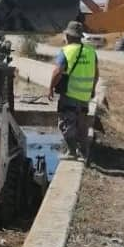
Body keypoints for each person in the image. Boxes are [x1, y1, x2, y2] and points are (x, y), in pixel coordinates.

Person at [47, 21, 99, 158]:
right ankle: (84, 152)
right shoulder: (91, 52)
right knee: (81, 125)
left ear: (68, 36)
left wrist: (51, 88)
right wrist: (92, 89)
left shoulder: (66, 51)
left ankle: (71, 152)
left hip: (70, 94)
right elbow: (96, 73)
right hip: (85, 96)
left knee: (66, 124)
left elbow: (58, 71)